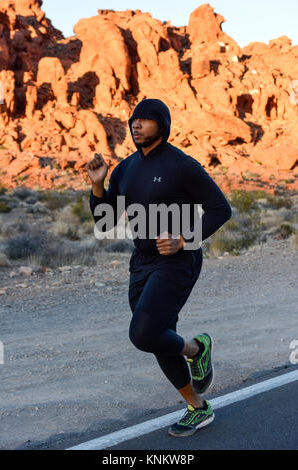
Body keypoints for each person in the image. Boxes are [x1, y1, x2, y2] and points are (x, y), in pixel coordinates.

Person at [86, 98, 232, 437]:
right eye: (134, 119)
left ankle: (196, 351)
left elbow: (219, 209)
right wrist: (97, 185)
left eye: (145, 119)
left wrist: (184, 239)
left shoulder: (182, 165)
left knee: (144, 332)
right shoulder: (124, 168)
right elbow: (104, 223)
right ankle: (198, 402)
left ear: (162, 125)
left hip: (178, 260)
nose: (136, 124)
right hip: (142, 262)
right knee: (155, 336)